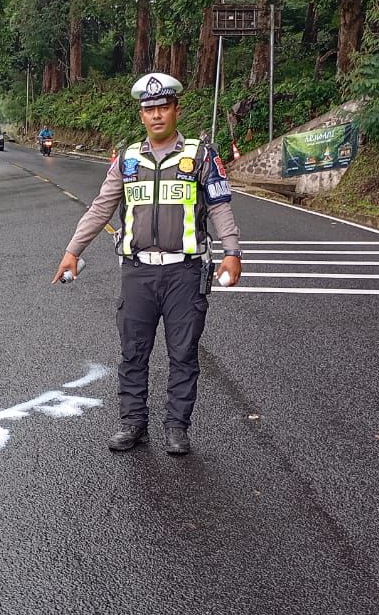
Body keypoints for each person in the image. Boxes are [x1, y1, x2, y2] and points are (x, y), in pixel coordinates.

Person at [52, 73, 243, 456]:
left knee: (183, 352)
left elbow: (220, 206)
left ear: (176, 110)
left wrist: (232, 252)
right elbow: (101, 207)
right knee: (133, 351)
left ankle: (177, 426)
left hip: (185, 273)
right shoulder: (127, 160)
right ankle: (133, 423)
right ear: (141, 115)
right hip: (138, 272)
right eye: (149, 110)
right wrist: (73, 249)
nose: (156, 116)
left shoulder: (200, 156)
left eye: (163, 108)